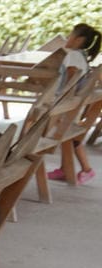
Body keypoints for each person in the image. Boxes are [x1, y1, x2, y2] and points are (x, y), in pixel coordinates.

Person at [49, 23, 99, 184]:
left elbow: (72, 77)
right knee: (68, 138)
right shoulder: (81, 55)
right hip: (74, 103)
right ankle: (65, 169)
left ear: (79, 40)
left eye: (70, 35)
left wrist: (61, 99)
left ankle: (86, 169)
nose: (67, 38)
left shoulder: (72, 55)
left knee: (71, 138)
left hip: (68, 103)